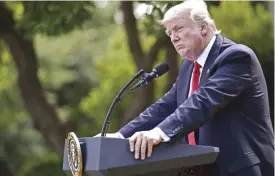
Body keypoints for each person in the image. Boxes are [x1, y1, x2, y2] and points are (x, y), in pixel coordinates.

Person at [95, 0, 274, 176]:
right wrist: (119, 137)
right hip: (202, 169)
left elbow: (202, 101)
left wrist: (159, 133)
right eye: (169, 32)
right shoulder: (189, 65)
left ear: (203, 27)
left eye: (178, 28)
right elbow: (167, 105)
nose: (173, 37)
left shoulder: (237, 57)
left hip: (242, 169)